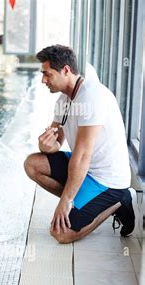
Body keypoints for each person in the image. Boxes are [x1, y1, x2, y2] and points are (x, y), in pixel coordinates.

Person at [24, 44, 140, 244]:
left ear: (66, 70)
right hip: (85, 170)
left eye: (47, 74)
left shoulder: (92, 96)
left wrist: (66, 200)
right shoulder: (63, 99)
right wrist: (45, 146)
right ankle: (84, 203)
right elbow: (56, 143)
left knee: (61, 234)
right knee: (32, 163)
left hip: (108, 179)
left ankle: (120, 200)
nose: (43, 80)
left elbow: (83, 155)